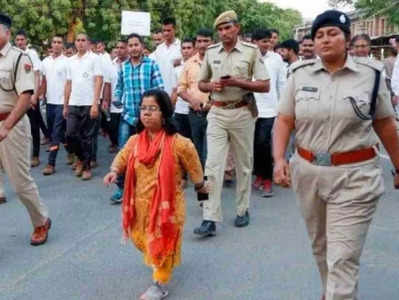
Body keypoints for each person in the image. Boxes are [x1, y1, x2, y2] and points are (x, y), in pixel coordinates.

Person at [273, 10, 399, 300]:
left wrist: (398, 166)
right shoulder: (299, 74)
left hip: (355, 177)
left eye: (333, 33)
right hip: (308, 174)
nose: (325, 40)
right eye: (319, 35)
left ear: (347, 39)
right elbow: (284, 120)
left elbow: (385, 124)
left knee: (342, 258)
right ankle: (333, 292)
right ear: (313, 43)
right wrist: (279, 159)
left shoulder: (371, 76)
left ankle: (337, 293)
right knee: (322, 248)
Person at [104, 89, 205, 300]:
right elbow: (122, 157)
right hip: (140, 204)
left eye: (152, 109)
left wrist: (200, 188)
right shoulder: (135, 141)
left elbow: (194, 165)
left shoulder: (179, 143)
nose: (146, 113)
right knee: (140, 239)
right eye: (143, 109)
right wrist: (114, 171)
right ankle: (160, 260)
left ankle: (159, 284)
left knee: (160, 243)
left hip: (168, 207)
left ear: (165, 113)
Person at [194, 10, 270, 237]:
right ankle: (208, 216)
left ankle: (242, 209)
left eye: (228, 28)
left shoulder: (251, 51)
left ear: (237, 28)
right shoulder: (210, 51)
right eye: (220, 29)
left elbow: (265, 85)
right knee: (211, 167)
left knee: (244, 165)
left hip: (242, 112)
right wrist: (212, 86)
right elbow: (201, 84)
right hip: (216, 112)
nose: (224, 32)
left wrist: (239, 82)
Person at [0, 14, 51, 245]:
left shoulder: (19, 59)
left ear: (7, 33)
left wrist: (7, 126)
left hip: (11, 125)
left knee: (20, 183)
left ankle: (41, 221)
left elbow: (26, 96)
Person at [110, 33, 164, 204]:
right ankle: (121, 188)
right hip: (128, 116)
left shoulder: (151, 64)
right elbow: (119, 87)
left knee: (150, 153)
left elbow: (160, 89)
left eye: (136, 45)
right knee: (124, 151)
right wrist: (117, 98)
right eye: (130, 45)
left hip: (148, 119)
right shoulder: (124, 67)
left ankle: (151, 186)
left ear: (142, 46)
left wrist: (156, 112)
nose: (133, 48)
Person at [63, 33, 103, 180]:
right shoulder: (70, 61)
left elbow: (99, 80)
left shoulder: (95, 59)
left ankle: (86, 167)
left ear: (88, 42)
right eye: (78, 40)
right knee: (70, 134)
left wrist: (95, 103)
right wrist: (65, 105)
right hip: (74, 102)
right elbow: (68, 84)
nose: (80, 43)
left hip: (88, 103)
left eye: (83, 40)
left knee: (87, 136)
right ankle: (80, 158)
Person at [252, 28, 286, 197]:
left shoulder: (276, 59)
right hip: (250, 109)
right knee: (253, 145)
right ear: (254, 42)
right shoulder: (248, 58)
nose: (266, 44)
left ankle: (267, 180)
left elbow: (282, 84)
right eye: (262, 41)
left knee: (263, 143)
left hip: (270, 110)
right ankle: (258, 175)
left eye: (268, 41)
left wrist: (282, 108)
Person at [178, 28, 213, 169]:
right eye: (199, 41)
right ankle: (201, 177)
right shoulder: (189, 63)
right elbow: (181, 89)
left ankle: (213, 176)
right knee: (197, 145)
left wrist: (213, 103)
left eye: (206, 41)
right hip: (195, 112)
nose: (202, 44)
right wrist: (192, 100)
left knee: (214, 147)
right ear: (196, 43)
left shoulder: (220, 62)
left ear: (213, 42)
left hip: (216, 112)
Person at [14, 29, 50, 167]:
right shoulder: (14, 54)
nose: (19, 42)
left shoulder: (31, 54)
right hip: (17, 96)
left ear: (26, 40)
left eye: (22, 40)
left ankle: (35, 155)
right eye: (17, 40)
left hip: (29, 96)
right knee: (19, 127)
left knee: (34, 126)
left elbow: (36, 75)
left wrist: (35, 95)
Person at [40, 35, 72, 175]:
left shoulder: (67, 62)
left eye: (59, 42)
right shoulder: (45, 61)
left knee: (55, 132)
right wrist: (39, 95)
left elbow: (69, 84)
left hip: (62, 102)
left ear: (63, 46)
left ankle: (50, 164)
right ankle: (71, 152)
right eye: (54, 42)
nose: (57, 44)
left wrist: (66, 104)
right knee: (59, 132)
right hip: (50, 102)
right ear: (51, 45)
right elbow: (44, 81)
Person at [102, 40, 129, 154]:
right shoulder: (110, 65)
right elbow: (107, 84)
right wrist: (105, 100)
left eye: (122, 47)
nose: (119, 50)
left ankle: (123, 153)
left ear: (127, 49)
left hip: (128, 104)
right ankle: (115, 144)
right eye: (117, 47)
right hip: (114, 104)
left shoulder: (131, 64)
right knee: (112, 127)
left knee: (125, 131)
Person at [150, 18, 182, 96]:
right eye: (164, 30)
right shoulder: (159, 49)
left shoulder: (181, 47)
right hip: (161, 91)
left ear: (175, 30)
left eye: (168, 30)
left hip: (177, 93)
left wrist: (181, 61)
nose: (166, 33)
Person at [171, 38, 195, 139]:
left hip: (194, 110)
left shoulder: (199, 67)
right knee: (181, 144)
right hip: (180, 111)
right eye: (184, 48)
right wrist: (171, 110)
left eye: (189, 48)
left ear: (194, 49)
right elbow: (174, 91)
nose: (186, 50)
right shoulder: (176, 69)